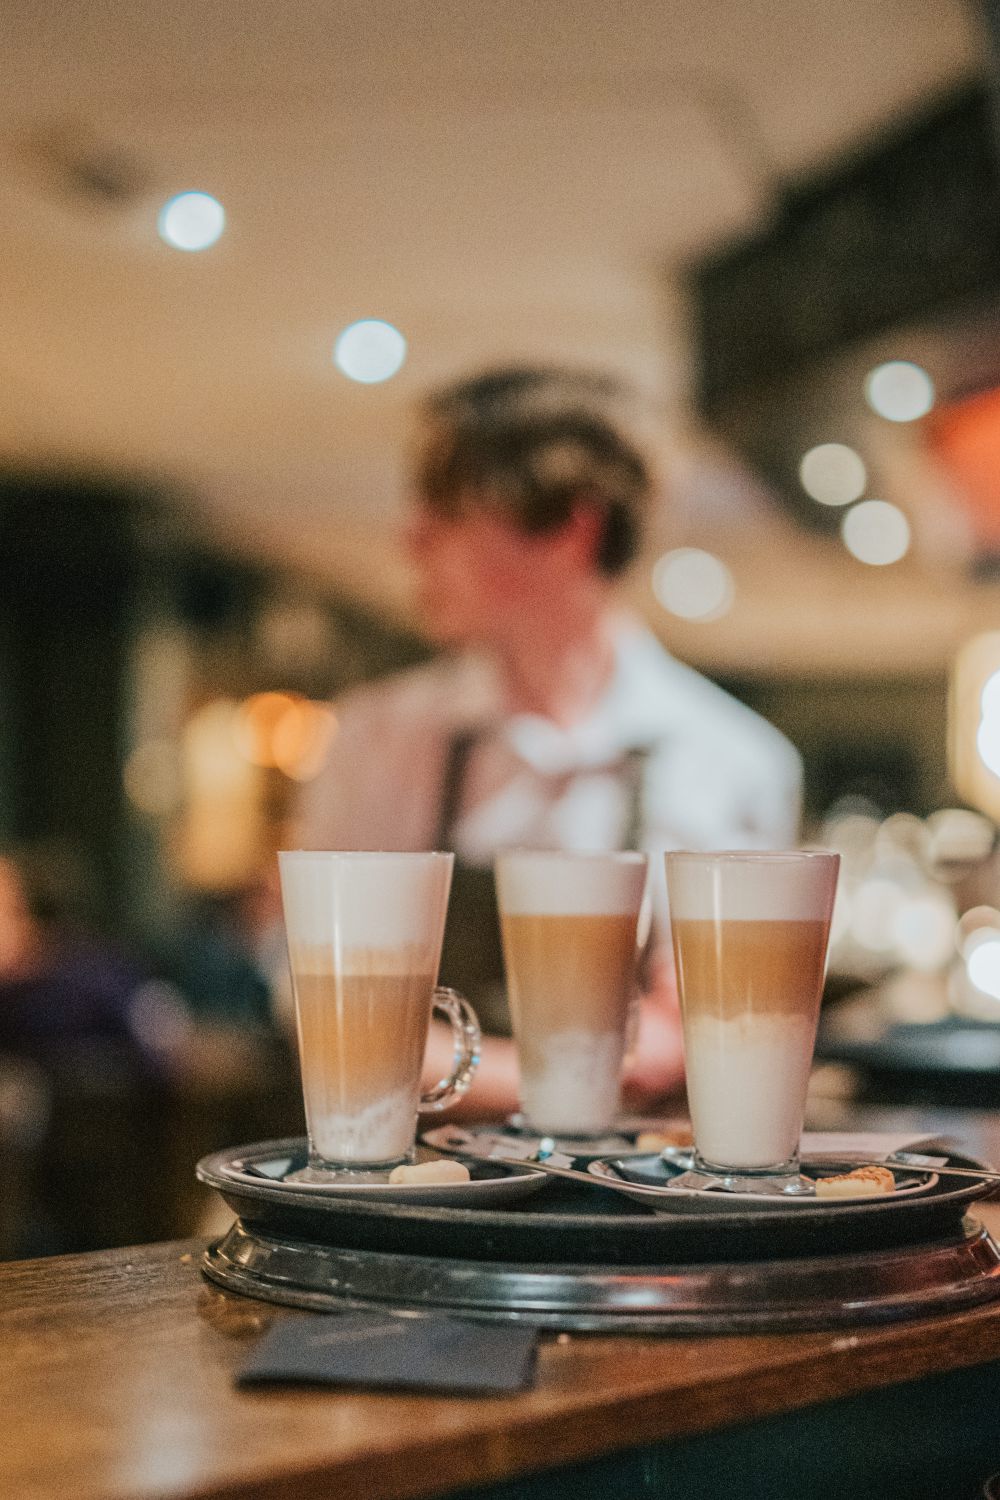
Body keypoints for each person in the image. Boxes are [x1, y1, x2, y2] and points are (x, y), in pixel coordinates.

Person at [296, 365, 802, 1118]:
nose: (412, 538)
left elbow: (716, 1024)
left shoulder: (732, 760)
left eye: (448, 510)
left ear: (572, 526)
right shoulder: (378, 737)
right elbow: (331, 1022)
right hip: (414, 1177)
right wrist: (575, 1079)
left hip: (632, 1183)